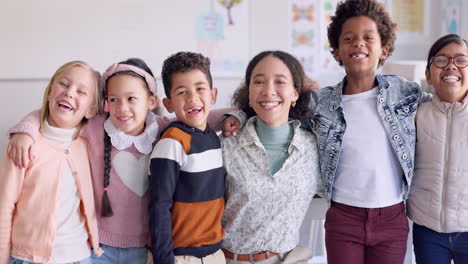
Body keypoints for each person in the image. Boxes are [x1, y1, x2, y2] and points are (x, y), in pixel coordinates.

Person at [223, 1, 431, 263]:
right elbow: (278, 108)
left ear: (384, 49)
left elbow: (441, 107)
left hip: (391, 217)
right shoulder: (320, 103)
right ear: (336, 52)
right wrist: (239, 115)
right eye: (349, 38)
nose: (359, 43)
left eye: (368, 38)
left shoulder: (405, 92)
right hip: (344, 218)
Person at [7, 58, 230, 264]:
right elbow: (56, 115)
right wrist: (25, 130)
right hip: (99, 247)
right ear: (105, 103)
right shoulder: (96, 127)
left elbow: (197, 116)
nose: (122, 108)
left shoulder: (160, 128)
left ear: (152, 101)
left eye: (132, 98)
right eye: (114, 99)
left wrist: (236, 115)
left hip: (143, 248)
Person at [221, 50, 321, 264]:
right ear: (248, 91)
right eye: (259, 82)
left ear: (295, 93)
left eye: (280, 82)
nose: (268, 91)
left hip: (289, 259)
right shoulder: (226, 146)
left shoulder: (313, 148)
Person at [0, 61, 103, 264]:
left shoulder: (90, 141)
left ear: (91, 109)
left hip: (80, 256)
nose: (69, 93)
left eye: (81, 91)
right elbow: (5, 206)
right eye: (63, 84)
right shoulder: (23, 145)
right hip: (28, 258)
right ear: (49, 93)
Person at [149, 52, 225, 264]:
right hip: (178, 256)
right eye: (182, 92)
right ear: (169, 104)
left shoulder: (213, 138)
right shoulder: (172, 142)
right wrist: (164, 259)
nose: (192, 98)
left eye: (200, 88)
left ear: (213, 95)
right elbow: (159, 205)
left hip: (214, 254)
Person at [406, 34, 468, 264]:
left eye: (461, 60)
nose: (451, 65)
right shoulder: (416, 115)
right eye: (441, 60)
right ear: (428, 75)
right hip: (428, 230)